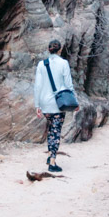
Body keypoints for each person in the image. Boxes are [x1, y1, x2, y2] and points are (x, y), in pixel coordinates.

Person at [33, 39, 77, 172]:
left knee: (51, 128)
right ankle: (52, 162)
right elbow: (68, 84)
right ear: (59, 50)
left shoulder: (42, 64)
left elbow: (37, 86)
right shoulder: (64, 63)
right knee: (56, 131)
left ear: (48, 49)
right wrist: (75, 100)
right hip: (59, 104)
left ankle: (50, 154)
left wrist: (37, 105)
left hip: (45, 104)